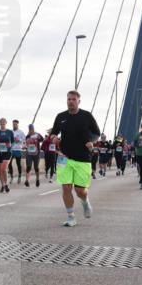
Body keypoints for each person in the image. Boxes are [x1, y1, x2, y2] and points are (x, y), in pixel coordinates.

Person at [49, 90, 99, 227]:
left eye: (73, 99)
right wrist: (54, 138)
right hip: (64, 157)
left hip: (83, 157)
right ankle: (71, 217)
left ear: (78, 101)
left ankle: (85, 201)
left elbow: (96, 133)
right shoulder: (61, 117)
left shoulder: (86, 116)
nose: (70, 101)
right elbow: (53, 132)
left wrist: (92, 141)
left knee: (80, 191)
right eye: (68, 99)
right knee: (66, 188)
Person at [0, 118, 15, 193]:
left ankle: (6, 184)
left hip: (7, 152)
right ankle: (3, 185)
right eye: (1, 122)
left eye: (4, 122)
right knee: (0, 170)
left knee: (3, 169)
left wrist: (10, 145)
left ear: (6, 123)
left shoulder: (10, 132)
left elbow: (13, 142)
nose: (2, 123)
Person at [23, 123, 43, 188]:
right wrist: (25, 146)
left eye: (32, 128)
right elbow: (26, 144)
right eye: (30, 129)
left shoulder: (37, 134)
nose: (31, 130)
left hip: (36, 153)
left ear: (33, 128)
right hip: (29, 153)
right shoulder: (27, 136)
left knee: (36, 167)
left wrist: (37, 140)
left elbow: (42, 140)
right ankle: (27, 181)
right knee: (28, 167)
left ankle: (37, 179)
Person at [7, 119, 25, 184]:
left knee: (18, 164)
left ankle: (19, 176)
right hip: (11, 149)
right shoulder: (10, 132)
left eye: (15, 124)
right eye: (13, 124)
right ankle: (11, 177)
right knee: (9, 163)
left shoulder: (21, 132)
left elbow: (24, 140)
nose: (14, 125)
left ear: (17, 124)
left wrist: (19, 140)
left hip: (18, 149)